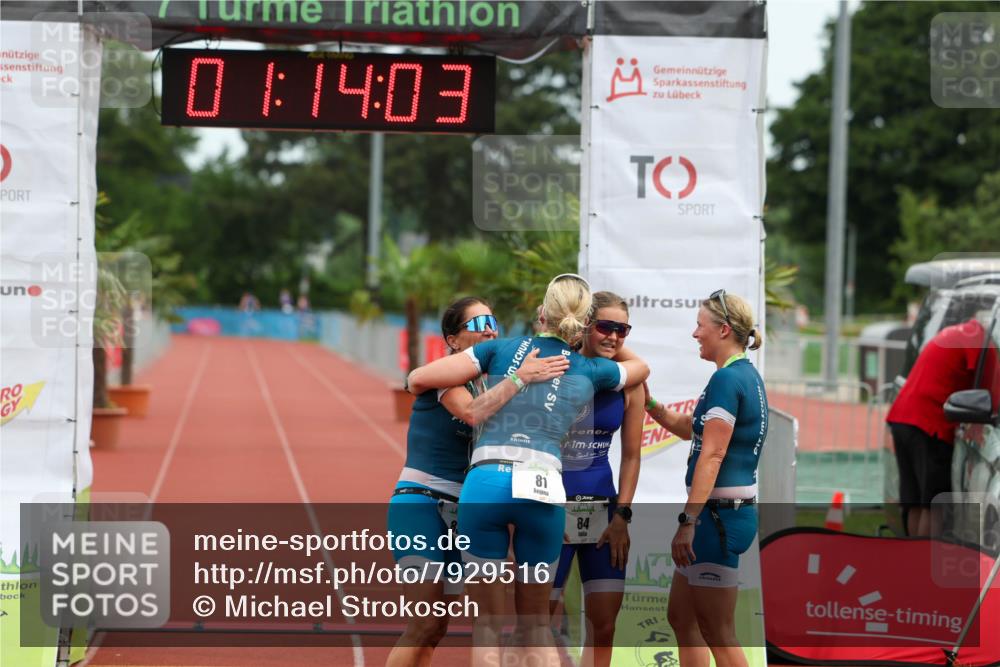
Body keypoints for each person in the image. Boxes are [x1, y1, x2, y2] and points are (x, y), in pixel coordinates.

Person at [407, 274, 650, 667]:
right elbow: (640, 368)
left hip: (486, 482)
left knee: (488, 623)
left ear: (541, 313)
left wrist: (519, 375)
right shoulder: (591, 370)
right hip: (544, 487)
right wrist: (604, 342)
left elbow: (419, 378)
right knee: (537, 625)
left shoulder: (497, 349)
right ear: (584, 322)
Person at [386, 296, 571, 667]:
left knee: (439, 626)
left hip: (468, 510)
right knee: (424, 622)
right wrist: (521, 377)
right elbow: (472, 413)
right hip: (421, 503)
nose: (488, 329)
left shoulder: (490, 383)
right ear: (452, 340)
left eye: (492, 322)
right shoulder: (445, 376)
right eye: (475, 324)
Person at [644, 290, 766, 667]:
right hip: (719, 514)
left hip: (716, 519)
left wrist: (688, 520)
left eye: (700, 325)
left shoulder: (728, 381)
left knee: (718, 631)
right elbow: (691, 429)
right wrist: (651, 406)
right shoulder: (737, 375)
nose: (695, 334)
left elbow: (712, 455)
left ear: (724, 330)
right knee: (681, 618)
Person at [550, 291, 644, 667]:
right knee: (537, 621)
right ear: (584, 326)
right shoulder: (556, 371)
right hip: (551, 509)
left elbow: (633, 456)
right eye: (606, 326)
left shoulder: (629, 383)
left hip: (604, 514)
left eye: (623, 329)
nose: (614, 337)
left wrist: (623, 515)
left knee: (604, 627)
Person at [886, 317, 992, 537]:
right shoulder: (983, 343)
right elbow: (991, 394)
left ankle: (911, 562)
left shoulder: (958, 332)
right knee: (934, 505)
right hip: (928, 424)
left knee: (914, 500)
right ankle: (924, 563)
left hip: (902, 417)